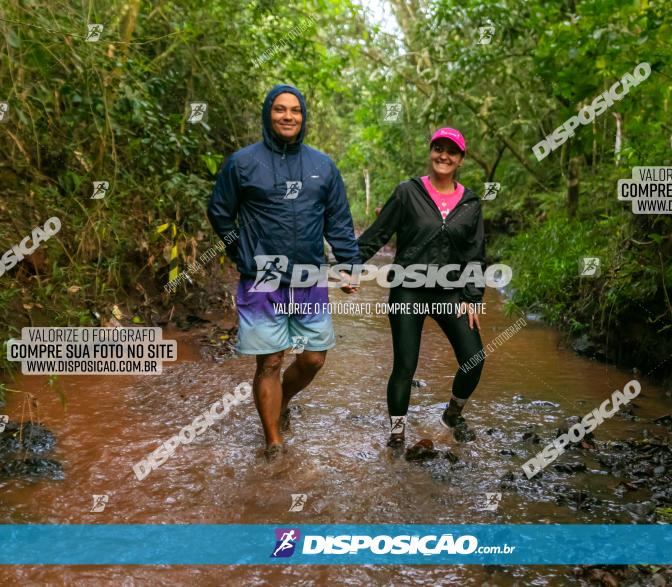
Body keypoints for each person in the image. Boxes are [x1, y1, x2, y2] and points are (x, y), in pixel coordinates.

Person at [207, 84, 360, 460]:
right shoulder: (243, 163)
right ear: (268, 114)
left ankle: (284, 398)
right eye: (279, 109)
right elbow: (220, 211)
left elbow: (338, 220)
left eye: (295, 110)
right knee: (271, 360)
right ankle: (273, 442)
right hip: (264, 276)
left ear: (303, 117)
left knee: (313, 358)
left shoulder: (322, 166)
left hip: (309, 274)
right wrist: (241, 252)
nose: (288, 116)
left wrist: (349, 265)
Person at [358, 127, 486, 448]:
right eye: (438, 149)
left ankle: (452, 415)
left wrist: (472, 297)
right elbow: (378, 233)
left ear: (460, 159)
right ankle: (397, 434)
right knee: (404, 366)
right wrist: (346, 264)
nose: (444, 156)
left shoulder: (470, 202)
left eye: (451, 151)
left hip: (451, 292)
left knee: (474, 358)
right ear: (431, 152)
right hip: (408, 290)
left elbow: (475, 253)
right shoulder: (408, 192)